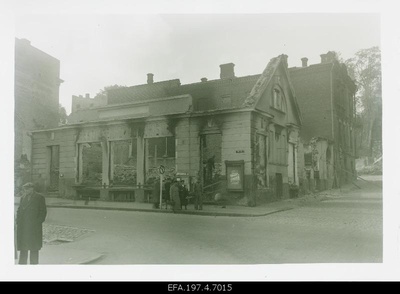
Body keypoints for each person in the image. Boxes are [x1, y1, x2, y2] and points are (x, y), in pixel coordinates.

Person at [16, 182, 47, 265]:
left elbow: (43, 212)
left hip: (34, 227)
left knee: (34, 248)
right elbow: (19, 210)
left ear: (32, 188)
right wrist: (18, 221)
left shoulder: (39, 197)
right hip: (24, 227)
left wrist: (38, 222)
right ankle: (22, 266)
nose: (25, 191)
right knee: (23, 248)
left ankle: (34, 266)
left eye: (27, 189)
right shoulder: (23, 197)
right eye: (24, 189)